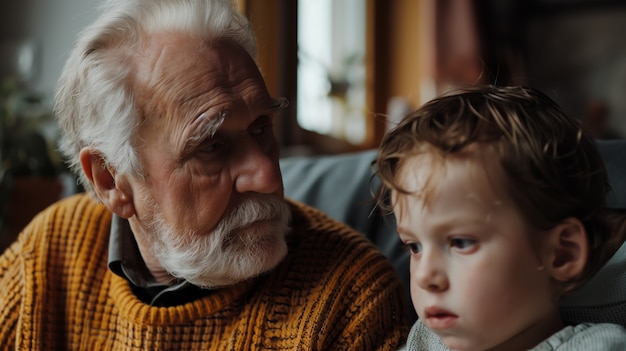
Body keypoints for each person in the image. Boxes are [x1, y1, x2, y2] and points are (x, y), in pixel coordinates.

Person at [0, 0, 409, 349]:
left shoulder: (352, 300)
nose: (267, 176)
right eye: (211, 146)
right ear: (111, 179)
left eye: (261, 128)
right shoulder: (48, 254)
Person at [373, 85, 626, 350]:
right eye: (414, 247)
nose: (425, 276)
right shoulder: (426, 341)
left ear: (562, 253)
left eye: (460, 242)